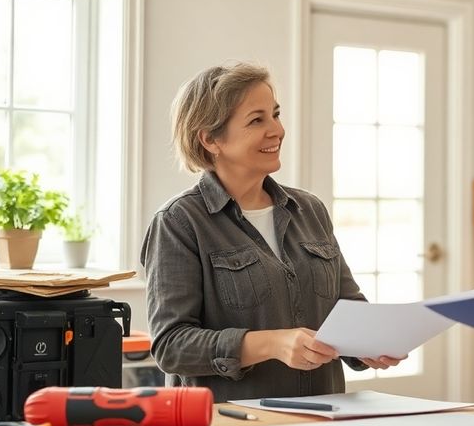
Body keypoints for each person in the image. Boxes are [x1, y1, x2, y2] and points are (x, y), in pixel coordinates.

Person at [142, 62, 403, 401]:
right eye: (257, 120)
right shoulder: (179, 223)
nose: (277, 130)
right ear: (210, 139)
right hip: (233, 423)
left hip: (322, 419)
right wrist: (271, 344)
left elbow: (346, 307)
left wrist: (370, 341)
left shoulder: (309, 210)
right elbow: (171, 346)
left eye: (276, 115)